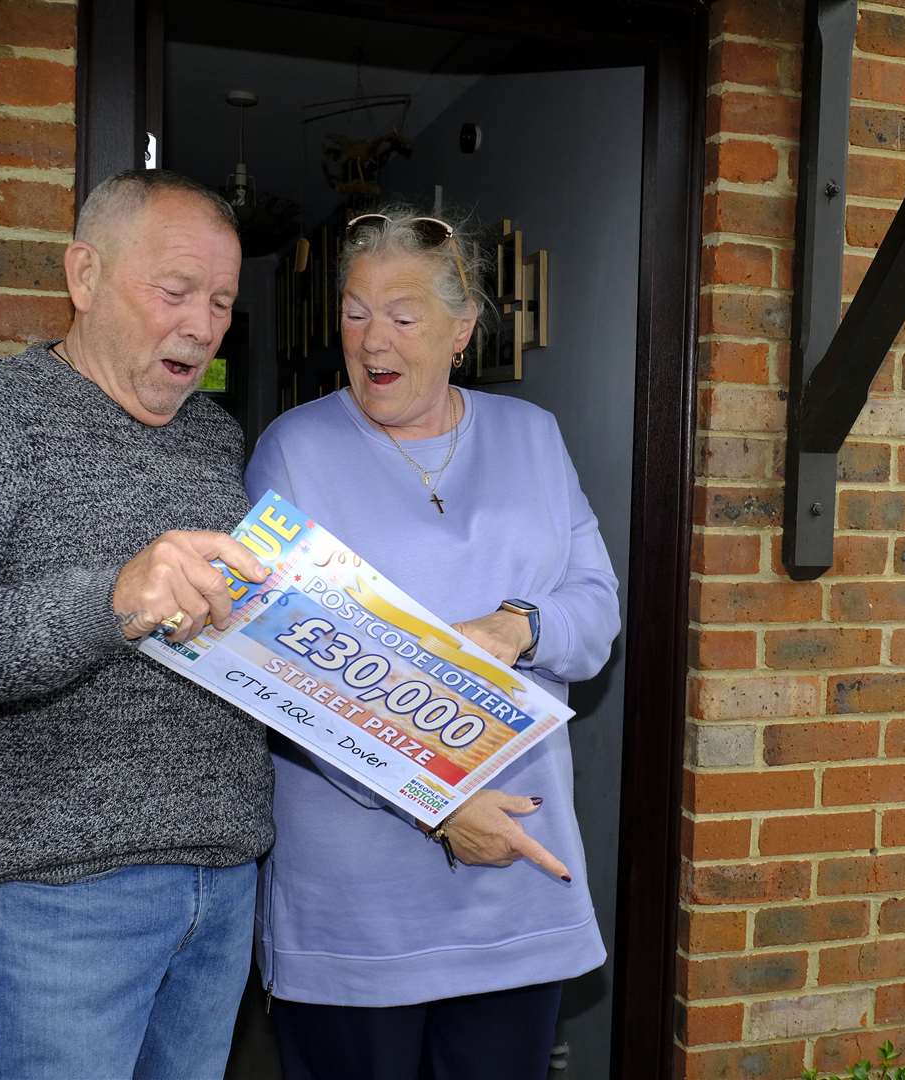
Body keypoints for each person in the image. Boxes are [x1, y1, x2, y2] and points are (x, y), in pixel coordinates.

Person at [0, 169, 276, 1079]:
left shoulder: (215, 438)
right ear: (83, 275)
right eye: (175, 291)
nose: (202, 324)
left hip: (224, 884)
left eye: (223, 301)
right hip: (64, 898)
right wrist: (109, 599)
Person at [244, 207, 620, 1080]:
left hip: (519, 877)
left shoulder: (531, 436)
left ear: (462, 330)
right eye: (354, 310)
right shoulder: (293, 452)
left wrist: (519, 627)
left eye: (404, 316)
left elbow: (594, 607)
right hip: (360, 901)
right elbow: (279, 670)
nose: (373, 339)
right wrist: (436, 805)